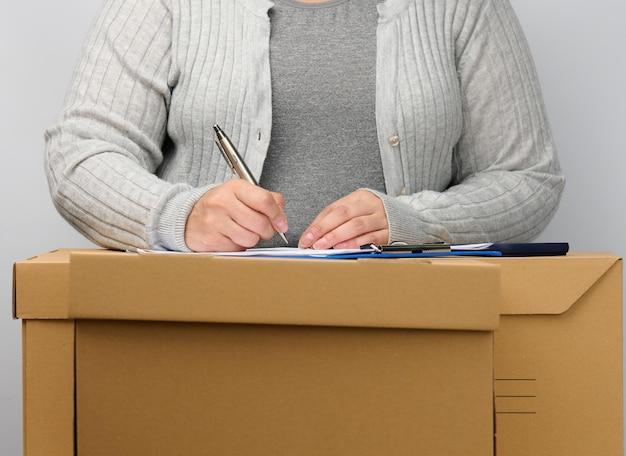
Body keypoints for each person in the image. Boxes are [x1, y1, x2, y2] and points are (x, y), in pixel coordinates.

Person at [44, 0, 564, 252]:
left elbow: (525, 178)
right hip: (201, 327)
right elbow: (83, 156)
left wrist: (414, 221)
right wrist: (177, 217)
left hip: (408, 330)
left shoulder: (458, 6)